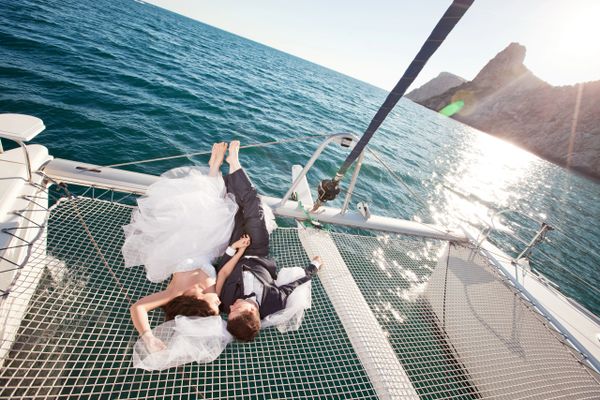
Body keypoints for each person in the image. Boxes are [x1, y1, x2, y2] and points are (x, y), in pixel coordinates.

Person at [124, 142, 245, 351]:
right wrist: (238, 250)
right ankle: (214, 167)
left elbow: (138, 307)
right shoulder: (213, 293)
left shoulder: (175, 293)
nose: (219, 305)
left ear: (199, 304)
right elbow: (224, 271)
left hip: (181, 241)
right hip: (211, 245)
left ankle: (214, 167)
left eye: (214, 308)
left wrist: (149, 338)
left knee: (198, 208)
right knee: (218, 213)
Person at [215, 140, 323, 342]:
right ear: (251, 311)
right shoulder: (274, 303)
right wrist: (314, 266)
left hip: (234, 249)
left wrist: (234, 249)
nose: (230, 307)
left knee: (233, 209)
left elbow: (223, 271)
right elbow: (294, 284)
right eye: (235, 309)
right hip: (257, 249)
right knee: (254, 207)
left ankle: (226, 169)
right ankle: (234, 163)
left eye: (229, 311)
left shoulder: (224, 301)